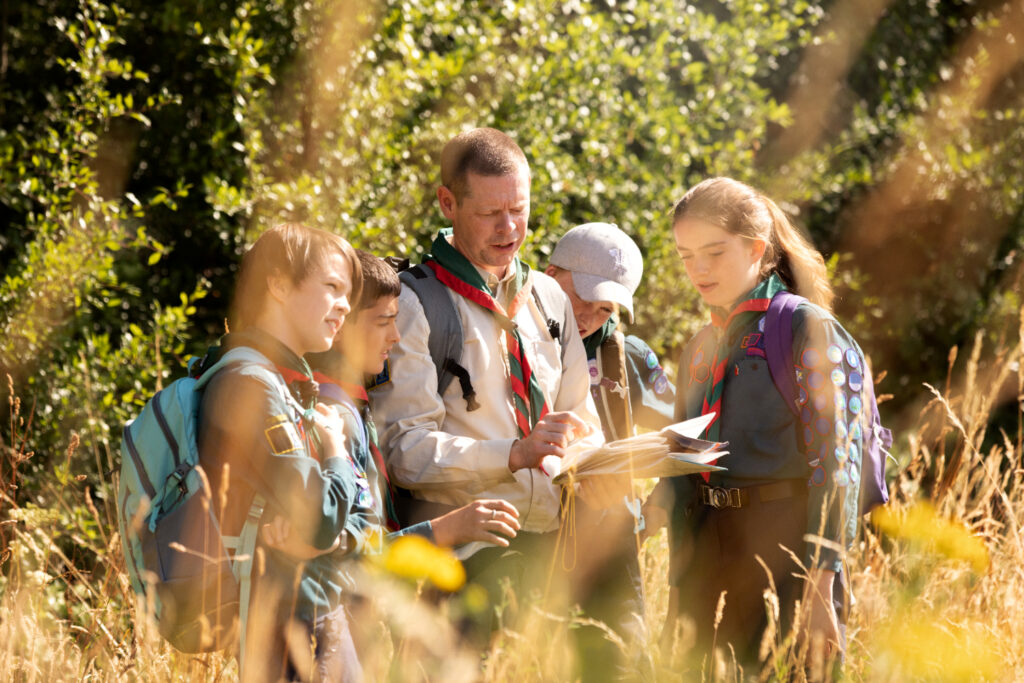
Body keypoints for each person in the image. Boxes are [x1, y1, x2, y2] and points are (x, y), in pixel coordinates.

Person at [370, 128, 604, 628]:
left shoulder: (549, 297)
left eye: (519, 209)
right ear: (448, 203)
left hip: (553, 553)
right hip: (463, 561)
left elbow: (581, 420)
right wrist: (512, 455)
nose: (509, 227)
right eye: (489, 213)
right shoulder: (414, 302)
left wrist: (595, 463)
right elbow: (403, 451)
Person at [645, 177, 866, 669]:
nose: (699, 269)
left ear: (756, 248)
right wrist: (677, 585)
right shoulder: (700, 347)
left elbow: (838, 463)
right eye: (686, 256)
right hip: (708, 549)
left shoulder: (804, 328)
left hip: (786, 550)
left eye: (714, 252)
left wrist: (821, 583)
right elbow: (682, 467)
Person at [196, 222, 369, 682]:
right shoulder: (251, 384)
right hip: (288, 623)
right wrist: (335, 449)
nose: (345, 305)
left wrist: (332, 533)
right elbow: (319, 515)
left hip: (308, 612)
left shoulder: (275, 380)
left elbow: (344, 519)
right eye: (332, 287)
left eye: (348, 294)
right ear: (277, 284)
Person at [306, 249, 522, 549]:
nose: (396, 336)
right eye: (384, 322)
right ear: (338, 324)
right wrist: (442, 530)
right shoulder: (333, 415)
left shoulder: (351, 402)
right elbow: (340, 547)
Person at [544, 222, 675, 677]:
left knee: (619, 666)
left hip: (609, 548)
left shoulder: (626, 355)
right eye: (581, 298)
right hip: (529, 538)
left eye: (605, 308)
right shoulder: (512, 339)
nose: (588, 317)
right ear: (550, 274)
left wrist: (650, 513)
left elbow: (684, 437)